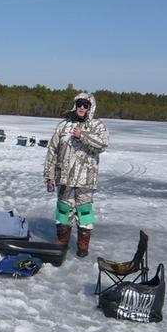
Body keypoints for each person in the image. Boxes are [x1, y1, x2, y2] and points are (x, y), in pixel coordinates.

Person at [43, 92, 109, 258]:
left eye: (85, 105)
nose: (81, 108)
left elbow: (103, 144)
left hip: (86, 177)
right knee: (63, 209)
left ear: (90, 108)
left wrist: (83, 136)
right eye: (79, 104)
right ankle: (62, 241)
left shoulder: (97, 126)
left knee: (84, 211)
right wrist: (49, 174)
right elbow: (52, 150)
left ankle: (82, 245)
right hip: (64, 175)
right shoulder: (63, 126)